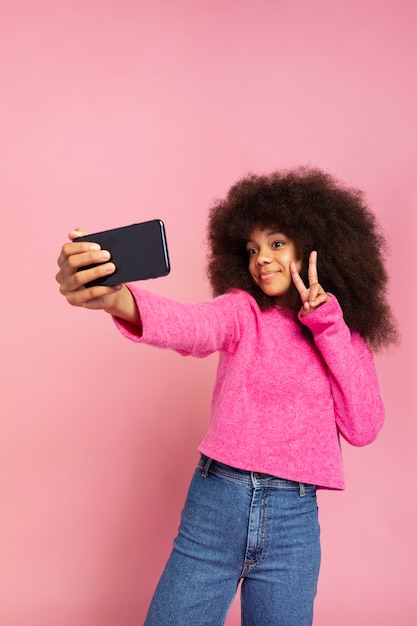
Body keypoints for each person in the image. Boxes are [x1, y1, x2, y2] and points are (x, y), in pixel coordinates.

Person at [56, 166, 398, 626]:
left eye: (276, 243)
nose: (261, 258)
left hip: (293, 524)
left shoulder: (342, 336)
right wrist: (117, 299)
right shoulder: (243, 310)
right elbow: (191, 326)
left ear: (316, 243)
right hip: (217, 504)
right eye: (252, 248)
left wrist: (329, 327)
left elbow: (363, 426)